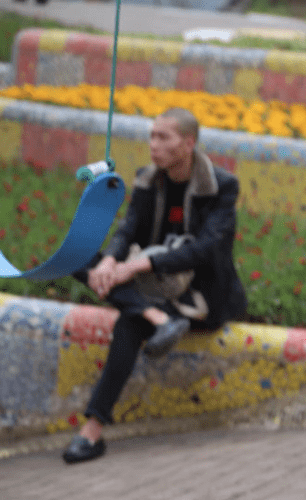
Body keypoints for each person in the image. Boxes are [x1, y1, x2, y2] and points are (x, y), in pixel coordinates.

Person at [62, 108, 248, 463]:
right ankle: (155, 316)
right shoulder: (149, 179)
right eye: (152, 136)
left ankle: (92, 430)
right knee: (79, 258)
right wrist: (112, 261)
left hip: (200, 297)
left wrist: (137, 265)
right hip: (153, 290)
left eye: (164, 137)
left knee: (130, 324)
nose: (154, 145)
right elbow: (129, 228)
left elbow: (206, 250)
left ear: (188, 143)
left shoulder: (222, 186)